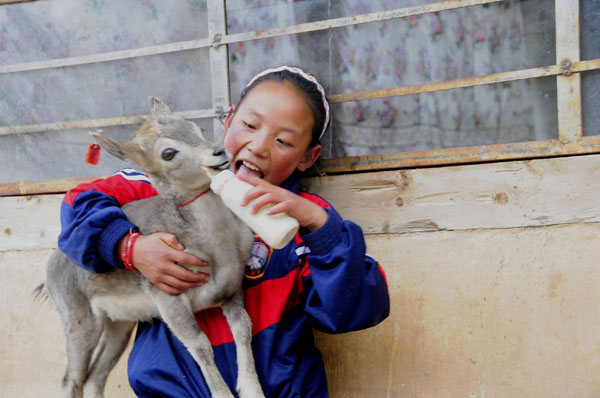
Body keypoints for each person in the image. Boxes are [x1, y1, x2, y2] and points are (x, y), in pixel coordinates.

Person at [58, 65, 390, 398]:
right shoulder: (162, 184)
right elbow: (79, 205)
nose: (259, 146)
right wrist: (129, 247)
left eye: (284, 141)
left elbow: (351, 312)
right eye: (249, 125)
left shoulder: (303, 223)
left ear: (307, 157)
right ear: (229, 119)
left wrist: (320, 224)